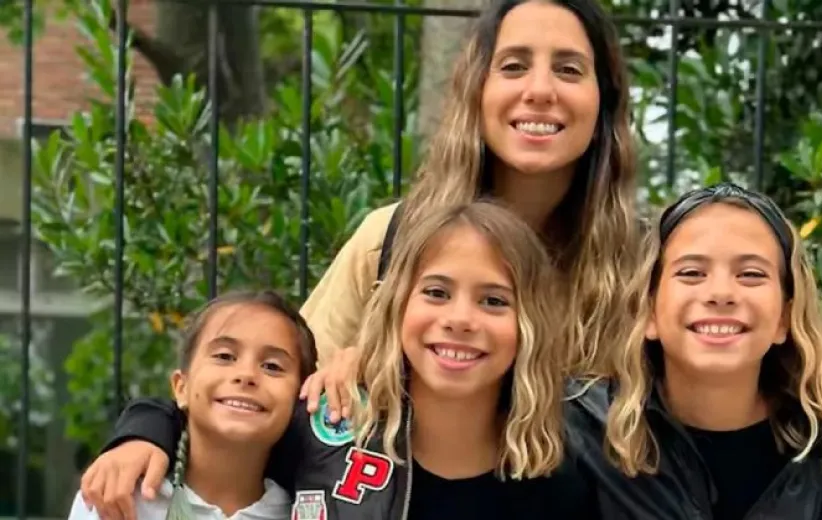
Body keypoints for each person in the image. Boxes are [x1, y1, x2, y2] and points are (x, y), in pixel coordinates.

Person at [78, 0, 641, 513]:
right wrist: (151, 426)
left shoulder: (645, 268)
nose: (540, 89)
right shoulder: (389, 240)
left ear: (605, 99)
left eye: (569, 69)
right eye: (513, 66)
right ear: (477, 90)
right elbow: (263, 387)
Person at [91, 201, 600, 520]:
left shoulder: (558, 479)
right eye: (436, 292)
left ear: (529, 323)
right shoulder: (325, 429)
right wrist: (143, 432)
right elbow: (223, 411)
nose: (460, 319)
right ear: (396, 306)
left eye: (493, 300)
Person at [565, 183, 822, 519]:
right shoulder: (579, 438)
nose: (721, 293)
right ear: (648, 310)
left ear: (784, 317)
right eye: (692, 273)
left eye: (751, 274)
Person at [68, 291, 318, 520]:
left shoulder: (312, 510)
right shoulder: (116, 497)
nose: (246, 374)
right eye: (224, 356)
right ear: (181, 387)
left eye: (272, 366)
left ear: (301, 396)